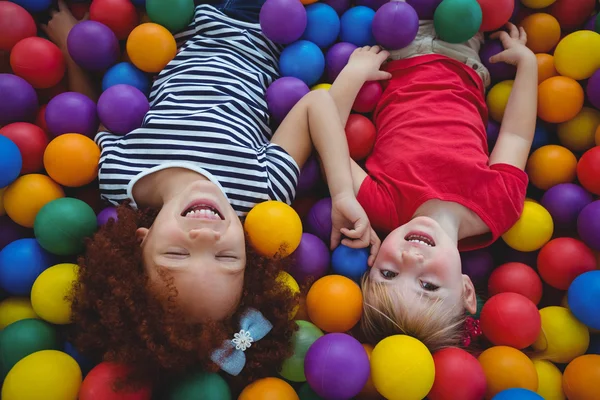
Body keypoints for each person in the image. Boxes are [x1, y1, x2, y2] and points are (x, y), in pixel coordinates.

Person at [42, 0, 381, 386]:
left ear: (142, 242)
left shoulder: (116, 177)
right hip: (266, 23)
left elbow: (101, 106)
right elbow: (316, 103)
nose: (204, 236)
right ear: (249, 255)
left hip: (180, 18)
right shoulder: (262, 192)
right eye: (226, 256)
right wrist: (341, 195)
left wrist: (74, 45)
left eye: (176, 253)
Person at [328, 21, 537, 351]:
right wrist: (528, 65)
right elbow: (516, 135)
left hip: (393, 46)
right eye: (427, 285)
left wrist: (354, 74)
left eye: (389, 274)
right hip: (462, 52)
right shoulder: (499, 206)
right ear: (466, 290)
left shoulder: (380, 206)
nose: (410, 257)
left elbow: (328, 135)